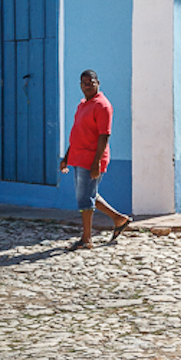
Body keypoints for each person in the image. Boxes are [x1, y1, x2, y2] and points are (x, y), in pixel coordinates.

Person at [60, 70, 132, 250]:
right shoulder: (83, 104)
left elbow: (104, 135)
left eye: (90, 82)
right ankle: (119, 219)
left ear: (97, 83)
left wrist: (97, 162)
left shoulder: (102, 105)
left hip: (91, 158)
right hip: (78, 156)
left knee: (84, 199)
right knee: (88, 195)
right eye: (84, 83)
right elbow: (76, 133)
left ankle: (86, 239)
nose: (87, 85)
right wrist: (67, 157)